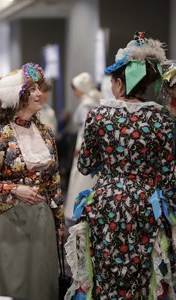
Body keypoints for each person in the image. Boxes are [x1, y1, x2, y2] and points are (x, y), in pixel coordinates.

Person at [65, 32, 176, 299]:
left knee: (104, 270)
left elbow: (86, 164)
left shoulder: (99, 115)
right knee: (143, 272)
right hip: (145, 204)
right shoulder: (161, 117)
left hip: (107, 203)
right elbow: (167, 173)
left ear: (118, 83)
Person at [0, 63, 64, 300]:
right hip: (4, 219)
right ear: (17, 96)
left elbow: (53, 181)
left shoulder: (45, 132)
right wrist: (15, 189)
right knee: (5, 284)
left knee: (39, 282)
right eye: (32, 89)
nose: (40, 94)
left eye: (39, 88)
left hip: (40, 219)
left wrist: (59, 222)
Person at [64, 72, 100, 220]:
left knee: (81, 176)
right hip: (86, 141)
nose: (74, 92)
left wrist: (83, 147)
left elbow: (87, 128)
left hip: (83, 142)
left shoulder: (87, 104)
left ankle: (78, 207)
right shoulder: (94, 100)